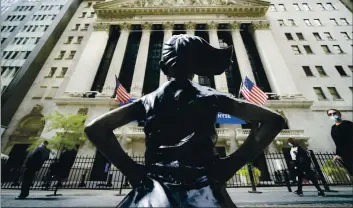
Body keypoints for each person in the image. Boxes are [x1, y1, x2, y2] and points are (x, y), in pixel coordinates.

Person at [85, 35, 287, 207]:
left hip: (154, 186)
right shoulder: (212, 97)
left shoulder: (147, 101)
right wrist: (231, 165)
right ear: (196, 67)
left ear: (163, 66)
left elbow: (95, 128)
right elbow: (274, 121)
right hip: (203, 188)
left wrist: (133, 171)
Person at [328, 109, 353, 176]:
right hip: (344, 155)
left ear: (339, 113)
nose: (333, 115)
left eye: (334, 113)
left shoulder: (348, 124)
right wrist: (337, 154)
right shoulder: (333, 128)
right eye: (330, 114)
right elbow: (337, 143)